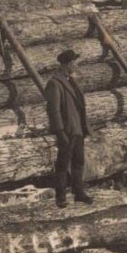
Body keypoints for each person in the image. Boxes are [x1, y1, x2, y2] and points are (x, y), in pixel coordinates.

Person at [44, 49, 92, 207]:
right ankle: (61, 197)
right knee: (63, 164)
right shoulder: (54, 83)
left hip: (77, 128)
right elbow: (54, 110)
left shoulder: (70, 80)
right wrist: (60, 132)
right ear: (68, 63)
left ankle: (78, 192)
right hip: (67, 131)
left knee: (78, 161)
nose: (76, 65)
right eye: (75, 62)